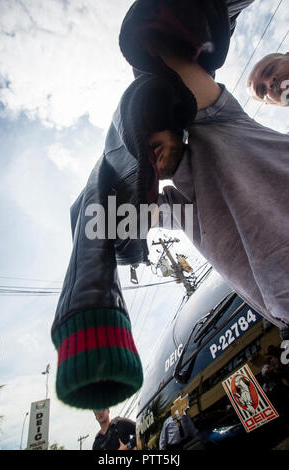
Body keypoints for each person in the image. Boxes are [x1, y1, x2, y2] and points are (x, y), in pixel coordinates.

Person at [118, 1, 289, 339]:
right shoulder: (176, 206)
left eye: (151, 119)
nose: (269, 83)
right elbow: (110, 220)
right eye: (139, 145)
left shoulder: (224, 123)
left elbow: (159, 41)